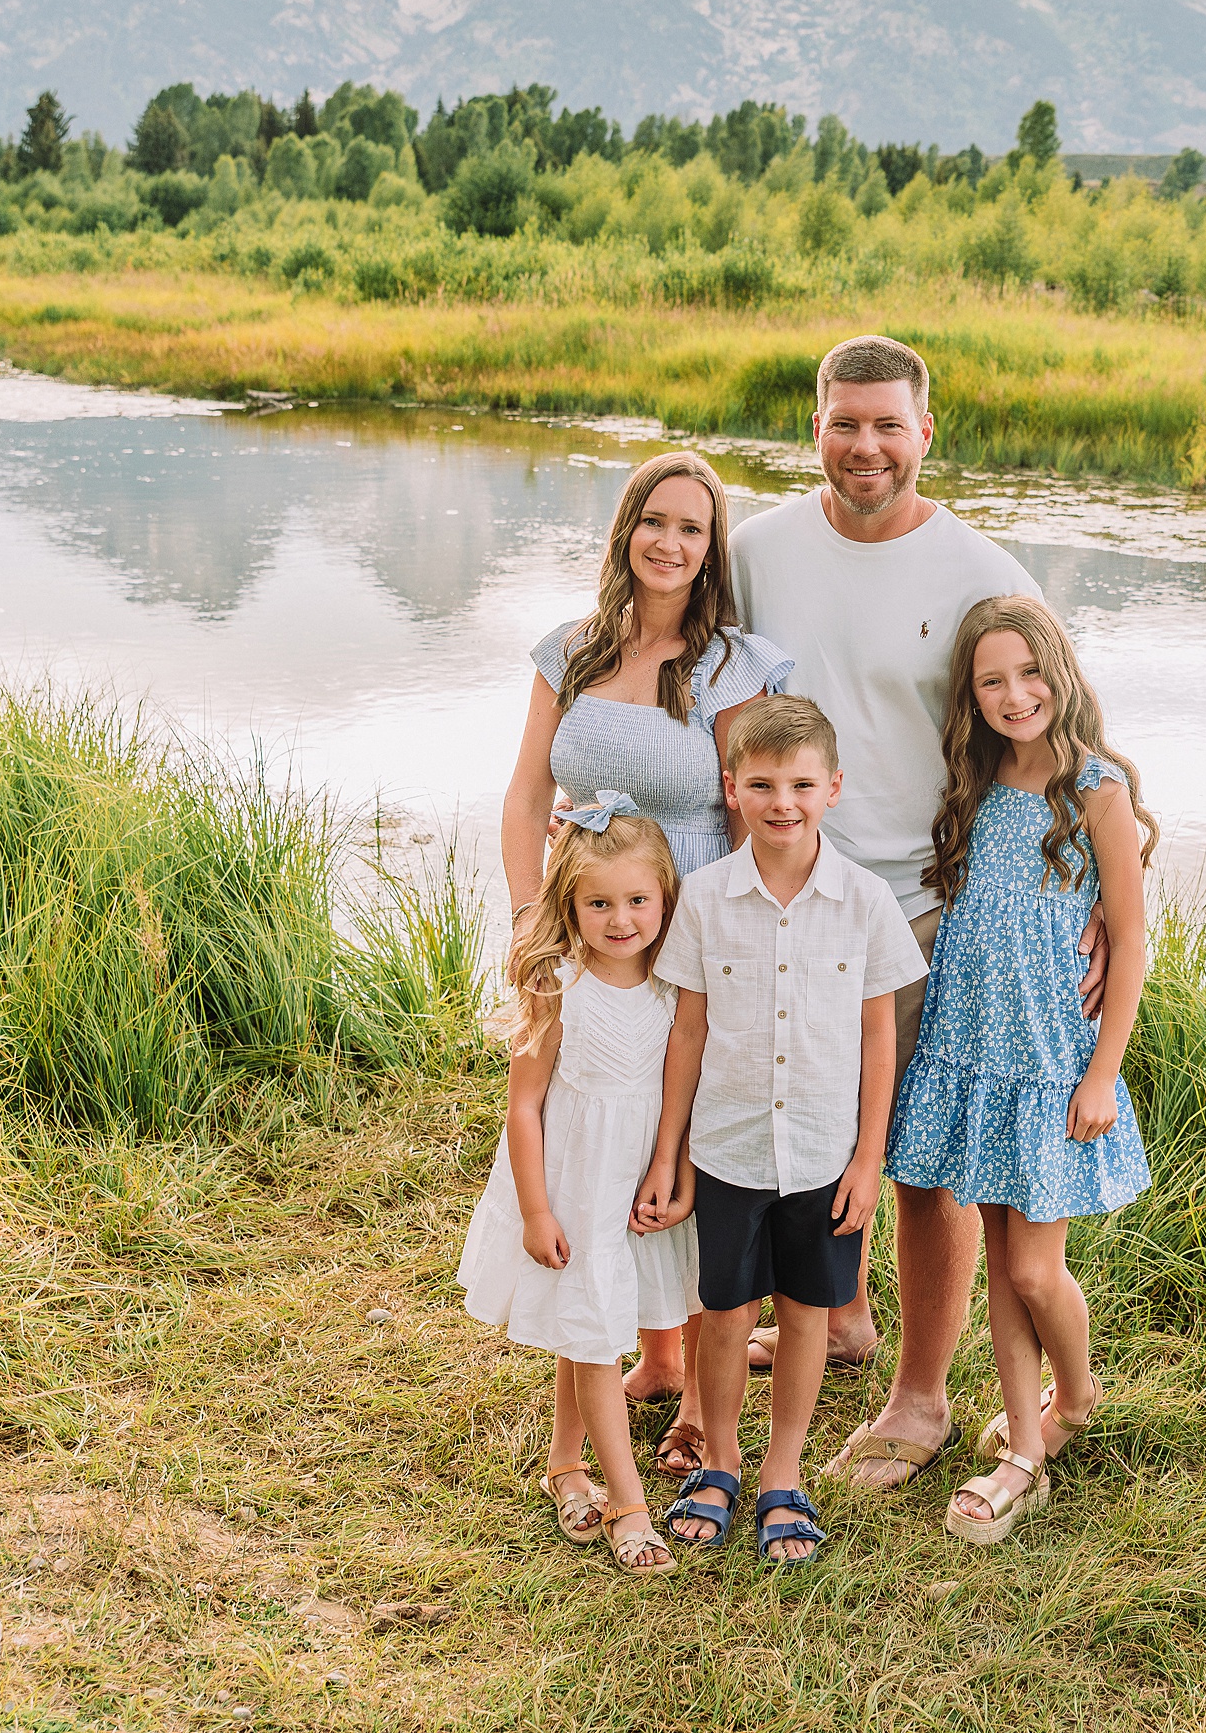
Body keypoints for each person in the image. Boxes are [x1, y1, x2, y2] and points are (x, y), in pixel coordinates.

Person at [728, 333, 1111, 1491]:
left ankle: (920, 1400)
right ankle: (839, 1321)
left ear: (925, 432)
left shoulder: (982, 573)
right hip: (790, 897)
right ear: (814, 429)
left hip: (937, 908)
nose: (866, 446)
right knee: (789, 1116)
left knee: (921, 1162)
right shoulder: (756, 552)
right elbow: (700, 682)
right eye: (845, 423)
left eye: (888, 424)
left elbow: (1075, 735)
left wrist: (1102, 893)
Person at [502, 448, 790, 1478]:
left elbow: (756, 802)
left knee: (701, 1148)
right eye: (654, 521)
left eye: (694, 528)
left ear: (712, 549)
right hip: (590, 923)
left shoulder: (729, 666)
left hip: (694, 924)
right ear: (627, 529)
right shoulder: (568, 652)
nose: (670, 542)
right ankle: (654, 1356)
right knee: (606, 1123)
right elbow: (527, 800)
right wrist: (531, 929)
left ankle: (699, 1394)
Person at [634, 695, 929, 1567]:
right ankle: (719, 1461)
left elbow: (882, 1037)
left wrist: (870, 1157)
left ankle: (781, 1473)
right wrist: (669, 1154)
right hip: (725, 1147)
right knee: (722, 1311)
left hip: (823, 1154)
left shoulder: (868, 902)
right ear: (733, 788)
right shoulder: (706, 900)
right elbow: (688, 1029)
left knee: (806, 1312)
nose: (782, 801)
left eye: (801, 783)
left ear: (833, 787)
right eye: (761, 783)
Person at [886, 596, 1154, 1545]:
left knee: (1037, 1269)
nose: (1014, 694)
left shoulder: (1096, 787)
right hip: (976, 1054)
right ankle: (1025, 1448)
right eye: (992, 680)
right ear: (972, 693)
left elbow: (1129, 942)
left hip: (1049, 1062)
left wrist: (1101, 1073)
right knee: (1001, 1254)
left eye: (1029, 672)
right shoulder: (980, 776)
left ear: (1061, 671)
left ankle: (1072, 1400)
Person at [457, 798, 695, 1578]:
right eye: (599, 903)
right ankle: (629, 1503)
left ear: (665, 898)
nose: (621, 919)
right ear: (570, 903)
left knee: (586, 1319)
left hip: (631, 1182)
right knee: (592, 1328)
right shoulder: (561, 982)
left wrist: (671, 1166)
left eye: (637, 900)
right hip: (572, 1180)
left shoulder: (672, 985)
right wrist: (535, 1207)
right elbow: (524, 1104)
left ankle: (566, 1461)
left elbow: (677, 1092)